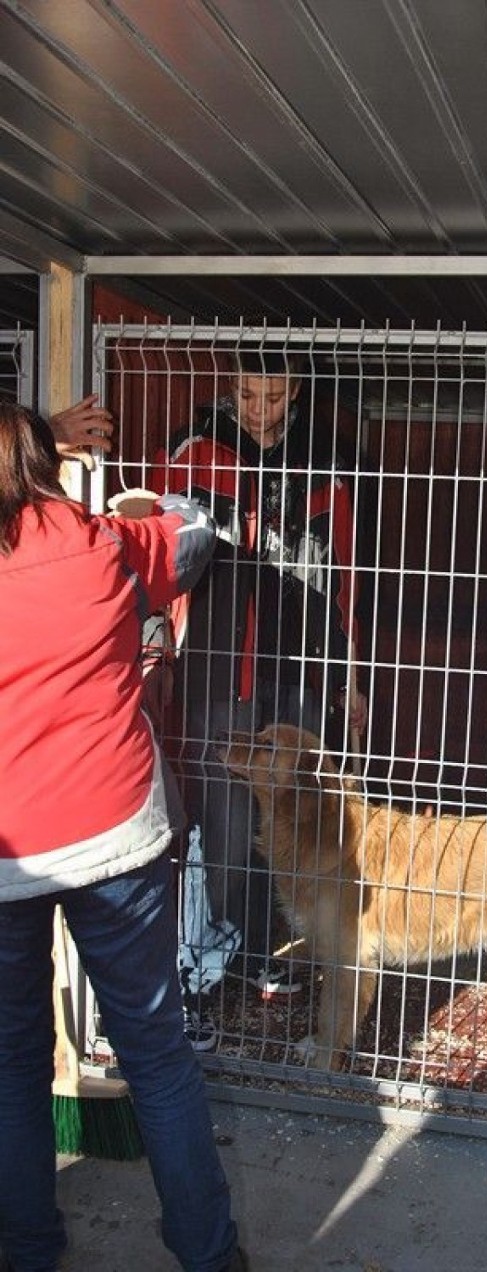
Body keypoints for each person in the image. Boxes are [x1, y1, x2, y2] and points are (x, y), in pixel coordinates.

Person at [0, 402, 246, 1272]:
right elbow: (200, 531)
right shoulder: (105, 545)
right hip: (115, 838)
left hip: (8, 856)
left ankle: (27, 1251)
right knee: (157, 1055)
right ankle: (209, 1253)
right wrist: (147, 499)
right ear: (48, 464)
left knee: (12, 1062)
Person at [149, 346, 367, 1045]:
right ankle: (221, 960)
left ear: (295, 392)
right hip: (219, 659)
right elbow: (157, 550)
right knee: (225, 819)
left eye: (272, 398)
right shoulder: (195, 450)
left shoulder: (325, 458)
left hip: (300, 659)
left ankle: (279, 948)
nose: (258, 411)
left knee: (300, 813)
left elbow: (349, 574)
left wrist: (349, 675)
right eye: (247, 395)